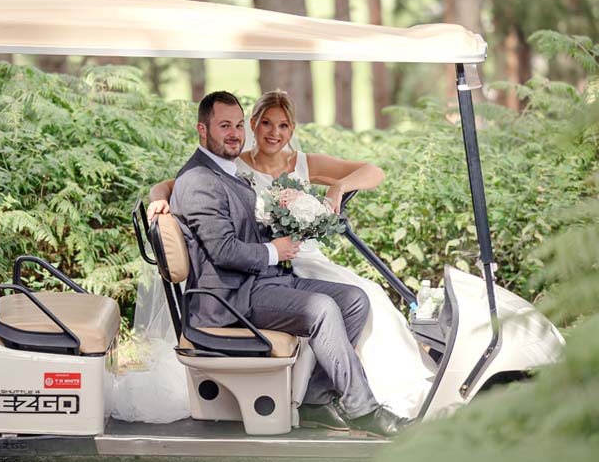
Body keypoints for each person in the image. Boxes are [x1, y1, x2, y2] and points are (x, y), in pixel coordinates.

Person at [148, 90, 436, 419]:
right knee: (323, 308)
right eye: (225, 125)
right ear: (203, 129)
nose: (235, 134)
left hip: (263, 280)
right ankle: (365, 411)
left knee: (356, 300)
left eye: (238, 126)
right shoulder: (200, 179)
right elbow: (223, 250)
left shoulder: (224, 170)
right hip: (230, 299)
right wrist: (276, 250)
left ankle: (315, 398)